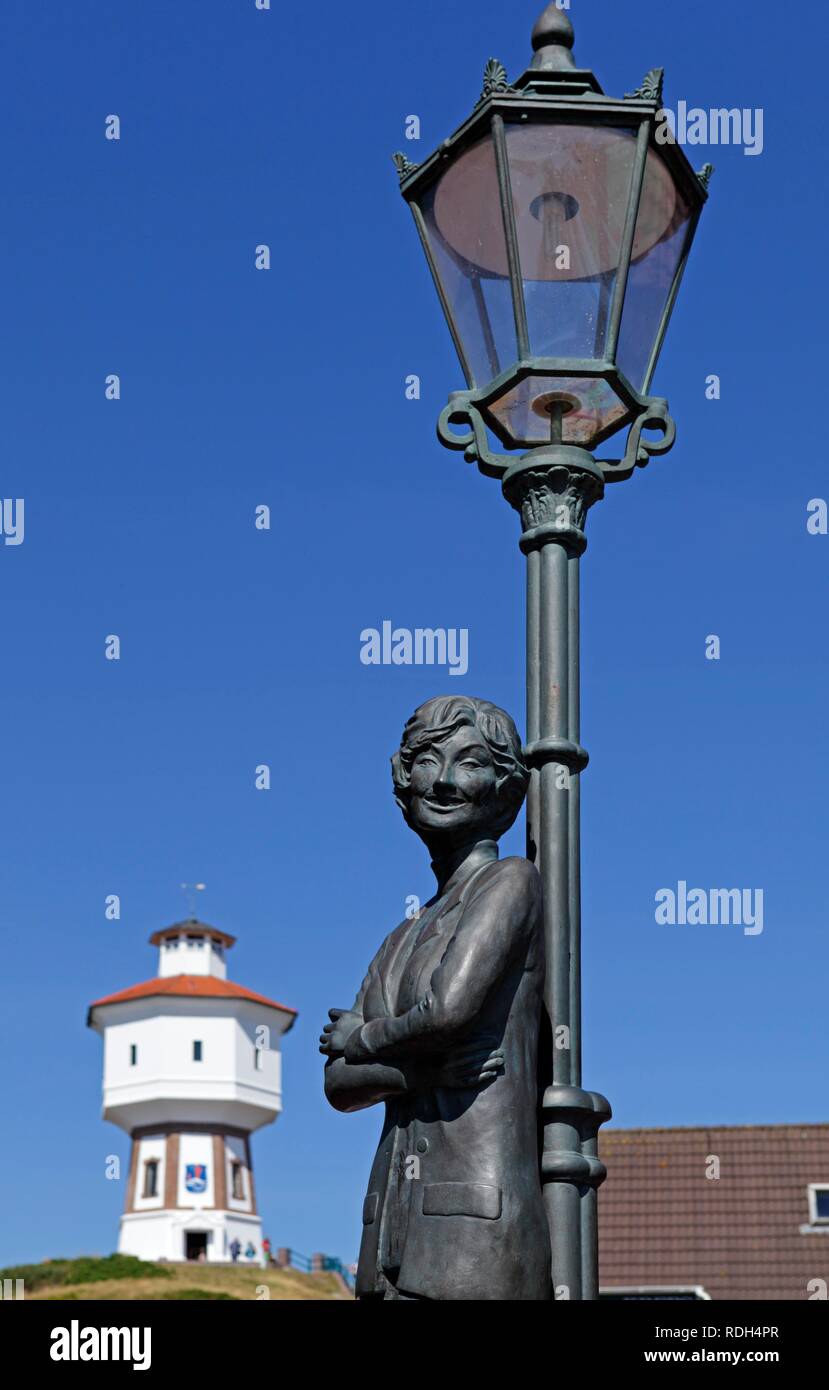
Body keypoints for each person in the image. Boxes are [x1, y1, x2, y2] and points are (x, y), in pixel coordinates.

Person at [320, 696, 549, 1301]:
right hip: (391, 1241)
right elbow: (338, 1085)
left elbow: (447, 1010)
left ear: (504, 789)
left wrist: (364, 1039)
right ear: (404, 778)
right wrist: (421, 1071)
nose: (444, 781)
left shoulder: (508, 883)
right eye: (427, 760)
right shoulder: (401, 936)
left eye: (470, 763)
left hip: (474, 1234)